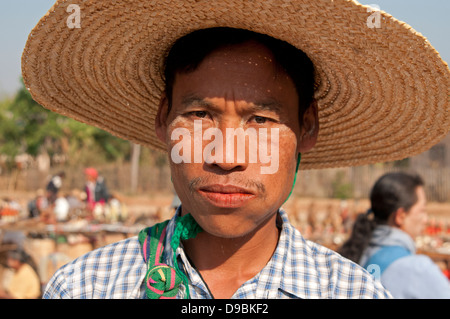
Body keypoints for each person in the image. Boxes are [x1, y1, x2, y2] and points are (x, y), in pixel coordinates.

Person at [21, 1, 449, 299]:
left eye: (261, 121)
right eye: (200, 115)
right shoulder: (86, 288)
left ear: (307, 127)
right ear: (163, 121)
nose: (226, 156)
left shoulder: (354, 293)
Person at [339, 172, 450, 298]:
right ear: (400, 216)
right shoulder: (417, 269)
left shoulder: (355, 255)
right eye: (422, 211)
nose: (425, 219)